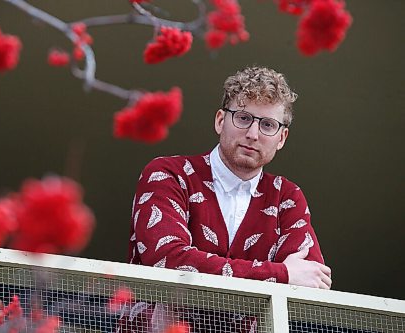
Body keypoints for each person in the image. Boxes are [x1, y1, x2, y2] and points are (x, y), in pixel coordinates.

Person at [118, 66, 331, 332]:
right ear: (220, 120)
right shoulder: (168, 174)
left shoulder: (286, 197)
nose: (253, 134)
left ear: (281, 138)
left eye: (267, 125)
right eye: (243, 118)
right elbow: (168, 260)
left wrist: (288, 276)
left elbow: (312, 280)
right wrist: (281, 274)